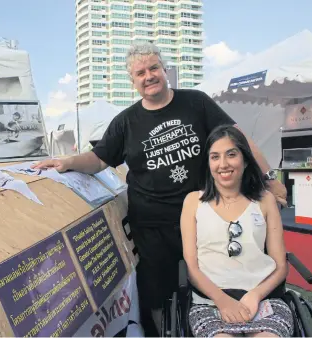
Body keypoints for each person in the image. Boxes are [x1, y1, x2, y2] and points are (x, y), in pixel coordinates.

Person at [32, 42, 287, 335]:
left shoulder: (196, 102)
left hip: (207, 217)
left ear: (164, 70)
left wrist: (269, 177)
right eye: (140, 72)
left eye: (153, 68)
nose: (148, 76)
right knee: (157, 294)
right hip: (154, 227)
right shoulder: (126, 122)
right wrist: (68, 161)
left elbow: (237, 139)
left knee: (213, 282)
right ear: (133, 81)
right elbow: (99, 159)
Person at [180, 125, 293, 337]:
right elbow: (192, 268)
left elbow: (280, 266)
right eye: (215, 157)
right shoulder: (193, 202)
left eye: (231, 154)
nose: (223, 164)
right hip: (210, 302)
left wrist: (255, 295)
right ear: (208, 163)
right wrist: (222, 301)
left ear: (246, 160)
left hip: (263, 299)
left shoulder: (265, 200)